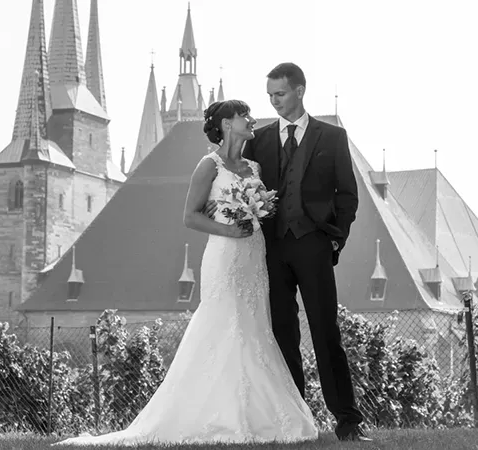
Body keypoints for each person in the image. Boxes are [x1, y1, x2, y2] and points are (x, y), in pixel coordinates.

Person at [53, 100, 318, 446]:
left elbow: (262, 207)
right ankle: (219, 415)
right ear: (226, 124)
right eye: (245, 116)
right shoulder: (208, 165)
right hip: (225, 255)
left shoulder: (254, 167)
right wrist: (229, 228)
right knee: (225, 326)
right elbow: (190, 216)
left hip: (254, 257)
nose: (252, 120)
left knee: (255, 328)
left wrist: (257, 213)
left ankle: (260, 414)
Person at [204, 62, 369, 442]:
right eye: (270, 96)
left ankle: (347, 420)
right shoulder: (259, 140)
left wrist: (335, 238)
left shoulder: (332, 137)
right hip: (272, 250)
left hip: (313, 246)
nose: (274, 102)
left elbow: (348, 195)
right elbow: (231, 180)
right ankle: (296, 419)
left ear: (299, 91)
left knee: (326, 331)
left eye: (279, 94)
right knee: (281, 334)